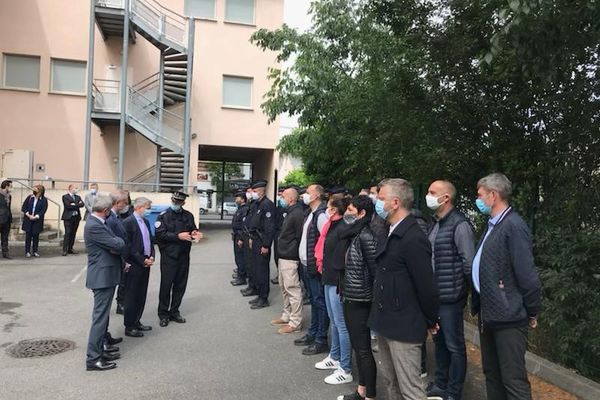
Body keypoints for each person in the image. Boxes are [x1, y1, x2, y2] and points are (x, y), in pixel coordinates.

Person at [471, 173, 542, 400]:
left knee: (513, 380)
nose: (478, 200)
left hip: (509, 315)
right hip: (490, 313)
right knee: (492, 374)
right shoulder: (493, 225)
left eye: (480, 195)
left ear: (494, 195)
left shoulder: (513, 226)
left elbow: (527, 275)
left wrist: (531, 310)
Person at [369, 178, 440, 400]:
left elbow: (426, 285)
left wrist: (431, 319)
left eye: (381, 199)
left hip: (404, 326)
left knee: (410, 389)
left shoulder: (413, 238)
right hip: (385, 319)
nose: (377, 203)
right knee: (392, 384)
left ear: (396, 202)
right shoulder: (390, 230)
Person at [425, 180, 475, 400]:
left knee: (454, 346)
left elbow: (469, 263)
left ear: (446, 198)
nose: (428, 195)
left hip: (451, 297)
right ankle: (441, 384)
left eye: (432, 192)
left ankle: (454, 392)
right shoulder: (436, 223)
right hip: (435, 296)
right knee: (440, 342)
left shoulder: (460, 225)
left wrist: (461, 293)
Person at [338, 195, 378, 400]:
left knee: (363, 349)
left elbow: (375, 272)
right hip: (352, 295)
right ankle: (362, 389)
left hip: (361, 299)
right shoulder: (355, 233)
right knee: (358, 346)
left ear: (362, 213)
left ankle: (369, 394)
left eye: (351, 211)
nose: (347, 214)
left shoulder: (366, 235)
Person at [314, 193, 354, 385]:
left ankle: (345, 368)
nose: (326, 209)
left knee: (341, 324)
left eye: (329, 206)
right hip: (328, 277)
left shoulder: (344, 228)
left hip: (337, 280)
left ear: (335, 208)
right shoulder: (331, 225)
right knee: (334, 321)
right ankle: (335, 356)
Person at [84, 195, 125, 371]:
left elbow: (116, 244)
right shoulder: (94, 225)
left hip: (106, 275)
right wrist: (116, 244)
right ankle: (93, 358)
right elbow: (118, 243)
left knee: (103, 317)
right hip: (102, 277)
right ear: (106, 211)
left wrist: (115, 245)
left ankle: (100, 349)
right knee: (99, 319)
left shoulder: (99, 223)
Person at [155, 190, 203, 327]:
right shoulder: (163, 216)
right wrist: (177, 236)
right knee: (166, 286)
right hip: (169, 256)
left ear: (183, 203)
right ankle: (163, 314)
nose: (175, 204)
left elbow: (193, 229)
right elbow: (160, 235)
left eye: (178, 202)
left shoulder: (188, 215)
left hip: (183, 255)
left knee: (180, 285)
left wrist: (195, 233)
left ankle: (174, 311)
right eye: (174, 201)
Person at [295, 184, 330, 355]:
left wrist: (317, 263)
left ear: (316, 195)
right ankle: (313, 333)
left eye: (308, 193)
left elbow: (325, 243)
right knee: (314, 300)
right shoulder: (311, 213)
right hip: (306, 264)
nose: (304, 195)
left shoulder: (321, 215)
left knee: (319, 302)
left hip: (315, 266)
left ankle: (320, 339)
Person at [270, 187, 305, 334]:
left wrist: (293, 252)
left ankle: (295, 322)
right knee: (284, 288)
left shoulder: (297, 213)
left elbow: (299, 236)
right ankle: (287, 315)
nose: (281, 199)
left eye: (283, 196)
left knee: (292, 289)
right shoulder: (291, 212)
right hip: (283, 255)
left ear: (291, 198)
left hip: (290, 256)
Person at [122, 197, 155, 337]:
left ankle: (137, 321)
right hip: (135, 264)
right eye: (147, 207)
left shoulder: (146, 221)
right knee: (132, 296)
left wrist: (152, 255)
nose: (149, 211)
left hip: (146, 263)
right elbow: (129, 246)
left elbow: (150, 241)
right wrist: (142, 260)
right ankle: (129, 325)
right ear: (139, 207)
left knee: (141, 294)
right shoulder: (128, 223)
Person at [246, 179, 276, 310]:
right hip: (256, 239)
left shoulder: (267, 205)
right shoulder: (258, 204)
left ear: (261, 191)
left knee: (262, 270)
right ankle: (259, 294)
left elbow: (269, 227)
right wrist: (252, 237)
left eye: (254, 191)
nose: (252, 193)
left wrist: (266, 245)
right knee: (256, 268)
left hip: (262, 241)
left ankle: (264, 298)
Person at [106, 190, 130, 315]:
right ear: (117, 203)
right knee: (117, 284)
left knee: (123, 282)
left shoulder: (116, 216)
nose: (126, 204)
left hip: (121, 256)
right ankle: (120, 304)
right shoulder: (110, 218)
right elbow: (112, 240)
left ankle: (121, 303)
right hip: (115, 257)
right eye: (124, 202)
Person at [21, 184, 48, 258]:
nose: (34, 191)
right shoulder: (30, 197)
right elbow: (24, 207)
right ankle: (27, 251)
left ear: (40, 192)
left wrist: (36, 216)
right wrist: (28, 215)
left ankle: (35, 251)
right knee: (28, 236)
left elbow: (43, 210)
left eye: (36, 190)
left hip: (37, 220)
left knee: (36, 236)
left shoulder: (44, 200)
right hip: (28, 219)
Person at [240, 186, 258, 298]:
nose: (249, 194)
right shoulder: (251, 204)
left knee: (254, 265)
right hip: (247, 236)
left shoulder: (258, 205)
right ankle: (251, 286)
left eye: (251, 192)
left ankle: (256, 289)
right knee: (249, 263)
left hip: (254, 238)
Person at [231, 190, 250, 286]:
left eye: (237, 197)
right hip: (236, 235)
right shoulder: (240, 208)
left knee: (240, 257)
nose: (236, 199)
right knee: (238, 257)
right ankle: (240, 273)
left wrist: (241, 238)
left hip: (240, 236)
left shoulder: (245, 209)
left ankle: (242, 277)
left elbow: (244, 225)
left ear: (243, 199)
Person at [61, 184, 84, 256]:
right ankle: (65, 250)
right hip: (68, 217)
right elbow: (68, 206)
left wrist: (74, 204)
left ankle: (70, 248)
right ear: (70, 188)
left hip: (76, 217)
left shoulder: (78, 197)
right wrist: (76, 205)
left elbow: (82, 204)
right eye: (75, 188)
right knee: (68, 233)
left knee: (73, 233)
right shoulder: (65, 196)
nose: (76, 189)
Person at [0, 180, 13, 259]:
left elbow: (8, 208)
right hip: (0, 218)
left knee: (5, 237)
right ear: (6, 186)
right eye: (10, 186)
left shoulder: (9, 196)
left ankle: (5, 253)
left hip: (7, 219)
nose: (11, 188)